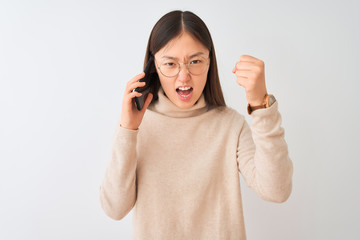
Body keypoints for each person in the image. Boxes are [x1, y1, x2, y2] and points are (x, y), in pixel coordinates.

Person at [99, 10, 293, 240]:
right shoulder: (137, 127)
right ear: (154, 66)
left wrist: (261, 105)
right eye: (170, 64)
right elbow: (115, 209)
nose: (184, 76)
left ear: (209, 62)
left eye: (195, 61)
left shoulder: (231, 125)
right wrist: (127, 131)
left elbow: (276, 190)